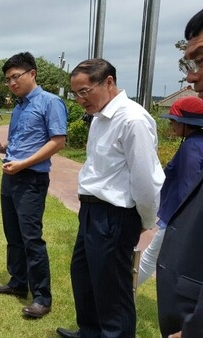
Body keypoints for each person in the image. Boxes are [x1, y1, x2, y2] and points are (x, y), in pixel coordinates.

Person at [56, 58, 164, 338]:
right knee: (84, 276)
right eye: (75, 94)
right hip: (92, 211)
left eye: (84, 91)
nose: (80, 100)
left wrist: (145, 219)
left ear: (109, 82)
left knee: (112, 289)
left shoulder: (132, 119)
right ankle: (89, 332)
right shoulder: (100, 117)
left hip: (115, 215)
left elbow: (146, 178)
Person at [0, 52, 67, 319]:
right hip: (10, 177)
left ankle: (42, 297)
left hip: (31, 179)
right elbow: (22, 141)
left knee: (32, 238)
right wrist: (3, 147)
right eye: (7, 79)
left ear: (32, 74)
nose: (11, 83)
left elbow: (57, 141)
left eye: (15, 77)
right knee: (13, 234)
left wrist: (23, 164)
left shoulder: (50, 103)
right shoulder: (20, 106)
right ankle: (18, 283)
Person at [157, 8, 203, 338]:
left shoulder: (191, 148)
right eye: (189, 63)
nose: (191, 76)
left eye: (200, 60)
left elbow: (187, 189)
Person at [137, 96, 203, 288]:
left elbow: (187, 186)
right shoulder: (197, 142)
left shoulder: (191, 147)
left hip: (179, 218)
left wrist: (182, 222)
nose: (171, 125)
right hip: (186, 218)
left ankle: (122, 298)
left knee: (151, 258)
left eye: (174, 120)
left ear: (186, 124)